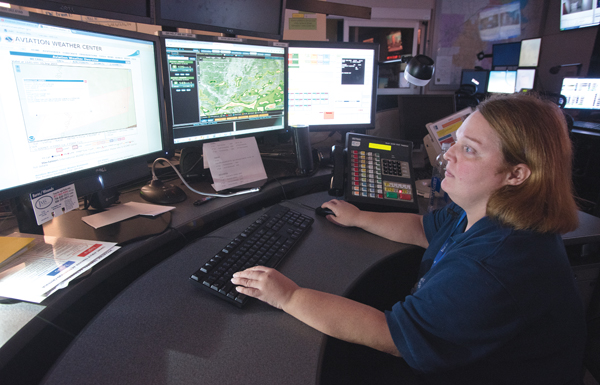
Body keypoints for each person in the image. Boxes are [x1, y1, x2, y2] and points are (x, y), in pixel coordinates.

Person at [231, 92, 587, 384]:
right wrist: (360, 217)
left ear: (516, 174)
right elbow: (422, 229)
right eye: (456, 141)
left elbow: (392, 336)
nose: (447, 154)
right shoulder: (483, 210)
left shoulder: (494, 263)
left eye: (469, 149)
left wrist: (289, 296)